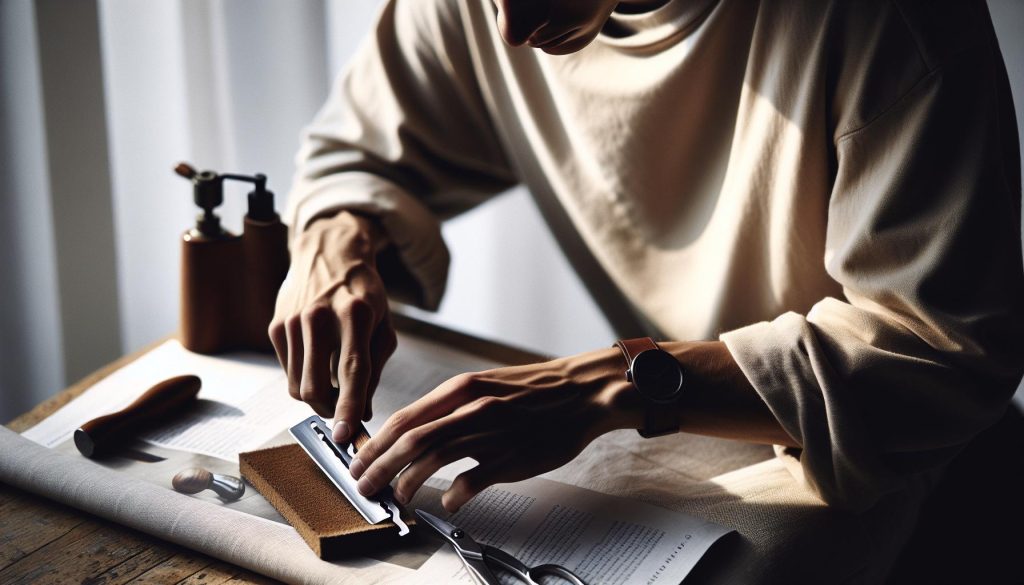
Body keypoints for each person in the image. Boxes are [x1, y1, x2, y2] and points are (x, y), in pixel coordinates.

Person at [270, 0, 1022, 579]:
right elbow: (360, 147)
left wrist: (615, 381)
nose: (511, 30)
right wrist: (336, 233)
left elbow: (941, 352)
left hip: (925, 487)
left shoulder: (892, 22)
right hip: (672, 443)